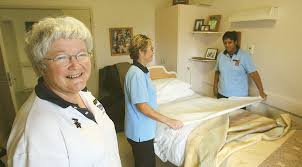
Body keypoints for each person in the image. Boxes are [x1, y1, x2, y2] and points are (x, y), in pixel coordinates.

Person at [7, 16, 121, 167]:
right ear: (41, 66)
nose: (75, 64)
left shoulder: (83, 93)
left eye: (81, 54)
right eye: (61, 57)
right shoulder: (36, 131)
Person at [124, 34, 184, 167]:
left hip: (144, 130)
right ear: (140, 51)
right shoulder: (136, 74)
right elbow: (143, 107)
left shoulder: (142, 72)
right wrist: (170, 121)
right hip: (139, 132)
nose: (153, 52)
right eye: (150, 49)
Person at [213, 31, 267, 99]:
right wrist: (215, 86)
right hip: (222, 94)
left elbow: (254, 74)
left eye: (230, 42)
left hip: (239, 97)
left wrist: (261, 91)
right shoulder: (220, 55)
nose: (227, 45)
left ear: (235, 42)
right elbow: (217, 72)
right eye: (225, 43)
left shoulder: (244, 56)